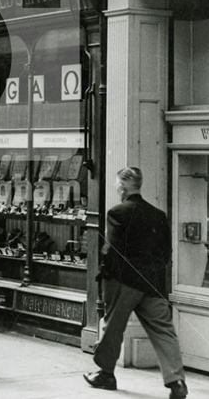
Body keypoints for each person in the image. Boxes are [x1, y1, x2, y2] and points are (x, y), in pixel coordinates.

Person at [85, 166, 188, 399]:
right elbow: (165, 253)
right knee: (163, 330)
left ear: (122, 187)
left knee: (112, 327)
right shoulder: (158, 215)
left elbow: (111, 251)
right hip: (152, 282)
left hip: (123, 281)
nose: (115, 188)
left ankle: (106, 374)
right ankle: (176, 381)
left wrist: (104, 276)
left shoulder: (117, 213)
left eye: (116, 184)